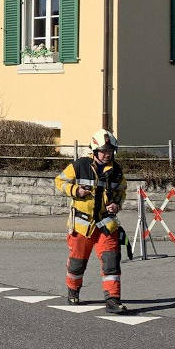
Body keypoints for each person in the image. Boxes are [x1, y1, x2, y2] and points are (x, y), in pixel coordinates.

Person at [54, 128, 129, 314]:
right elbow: (59, 181)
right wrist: (75, 191)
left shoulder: (117, 171)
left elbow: (121, 191)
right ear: (95, 151)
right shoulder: (80, 165)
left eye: (110, 151)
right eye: (103, 151)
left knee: (111, 261)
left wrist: (116, 204)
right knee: (77, 263)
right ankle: (73, 290)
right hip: (82, 225)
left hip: (106, 224)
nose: (107, 154)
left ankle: (112, 300)